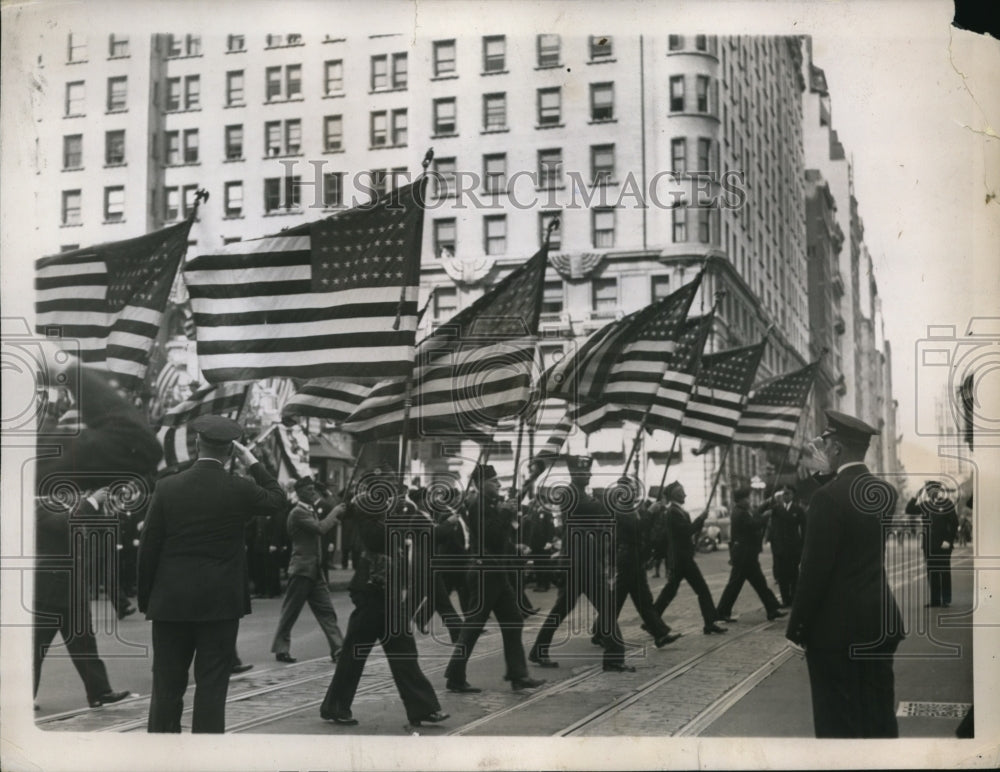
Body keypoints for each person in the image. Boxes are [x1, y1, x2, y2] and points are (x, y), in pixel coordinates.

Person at [137, 415, 286, 734]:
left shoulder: (167, 487)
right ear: (232, 452)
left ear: (196, 444)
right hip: (219, 604)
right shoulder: (240, 489)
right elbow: (277, 499)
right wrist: (254, 463)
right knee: (211, 689)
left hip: (171, 602)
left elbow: (148, 547)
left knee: (166, 688)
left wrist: (147, 597)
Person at [34, 352, 162, 710]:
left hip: (68, 584)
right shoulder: (39, 490)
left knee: (83, 642)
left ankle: (99, 691)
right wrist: (91, 502)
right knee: (34, 646)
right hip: (47, 586)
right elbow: (54, 523)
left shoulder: (53, 482)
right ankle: (18, 699)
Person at [786, 410, 904, 738]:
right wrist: (829, 476)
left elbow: (813, 572)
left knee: (838, 724)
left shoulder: (826, 499)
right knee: (879, 716)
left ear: (836, 449)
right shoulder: (886, 493)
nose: (822, 451)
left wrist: (796, 628)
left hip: (837, 632)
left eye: (826, 445)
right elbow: (850, 503)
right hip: (879, 622)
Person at [320, 474, 448, 727]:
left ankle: (423, 707)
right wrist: (397, 517)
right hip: (371, 590)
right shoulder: (365, 509)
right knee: (354, 654)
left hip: (390, 590)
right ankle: (336, 706)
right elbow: (376, 540)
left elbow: (414, 533)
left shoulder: (396, 508)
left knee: (404, 652)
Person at [444, 465, 546, 691]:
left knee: (513, 620)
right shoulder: (478, 505)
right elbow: (490, 535)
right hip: (485, 573)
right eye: (494, 481)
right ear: (481, 484)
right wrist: (507, 512)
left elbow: (498, 539)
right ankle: (455, 675)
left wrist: (514, 546)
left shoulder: (488, 504)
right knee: (473, 626)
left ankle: (518, 675)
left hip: (495, 571)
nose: (499, 485)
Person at [529, 456, 629, 670]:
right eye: (585, 473)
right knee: (605, 607)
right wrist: (609, 499)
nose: (589, 475)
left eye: (589, 472)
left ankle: (539, 649)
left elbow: (601, 517)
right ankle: (613, 658)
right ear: (575, 474)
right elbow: (595, 510)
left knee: (563, 609)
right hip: (579, 562)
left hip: (585, 561)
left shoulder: (583, 495)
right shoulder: (570, 493)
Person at [593, 476, 682, 650]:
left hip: (634, 558)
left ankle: (660, 634)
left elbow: (645, 528)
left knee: (642, 600)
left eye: (633, 489)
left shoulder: (632, 508)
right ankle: (600, 632)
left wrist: (653, 512)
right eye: (630, 490)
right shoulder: (620, 509)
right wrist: (651, 511)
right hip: (626, 559)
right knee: (621, 600)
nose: (633, 492)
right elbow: (637, 528)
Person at [270, 477, 345, 664]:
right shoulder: (297, 512)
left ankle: (339, 649)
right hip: (302, 569)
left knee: (327, 611)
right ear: (300, 491)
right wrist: (335, 512)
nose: (313, 492)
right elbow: (319, 529)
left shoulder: (309, 510)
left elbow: (322, 527)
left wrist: (335, 517)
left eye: (314, 489)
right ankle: (281, 648)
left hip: (314, 570)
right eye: (309, 489)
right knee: (291, 612)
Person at [650, 482, 727, 635]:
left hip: (682, 558)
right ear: (675, 495)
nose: (685, 495)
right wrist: (700, 519)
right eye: (682, 492)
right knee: (700, 590)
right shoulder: (673, 512)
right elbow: (687, 531)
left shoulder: (678, 511)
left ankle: (652, 620)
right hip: (681, 559)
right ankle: (709, 623)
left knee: (671, 591)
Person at [714, 487, 785, 623]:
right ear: (741, 500)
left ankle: (771, 609)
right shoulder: (740, 513)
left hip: (747, 556)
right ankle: (722, 612)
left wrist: (766, 504)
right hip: (743, 556)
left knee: (757, 583)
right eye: (747, 498)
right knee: (738, 585)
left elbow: (755, 513)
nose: (749, 500)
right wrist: (766, 516)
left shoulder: (742, 511)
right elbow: (754, 524)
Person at [905, 481, 959, 608]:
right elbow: (909, 510)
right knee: (932, 572)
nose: (931, 492)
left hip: (943, 545)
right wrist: (916, 496)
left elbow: (954, 523)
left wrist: (948, 540)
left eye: (933, 489)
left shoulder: (947, 504)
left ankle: (945, 600)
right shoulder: (925, 505)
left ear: (939, 490)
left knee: (944, 571)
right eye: (928, 490)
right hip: (929, 545)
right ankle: (935, 600)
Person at [764, 485, 805, 607]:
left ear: (792, 495)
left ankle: (793, 599)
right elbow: (772, 528)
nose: (785, 496)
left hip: (793, 548)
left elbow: (804, 529)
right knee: (782, 576)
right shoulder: (776, 509)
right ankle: (785, 600)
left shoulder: (798, 510)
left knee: (793, 575)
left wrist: (802, 546)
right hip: (780, 548)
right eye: (784, 494)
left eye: (788, 494)